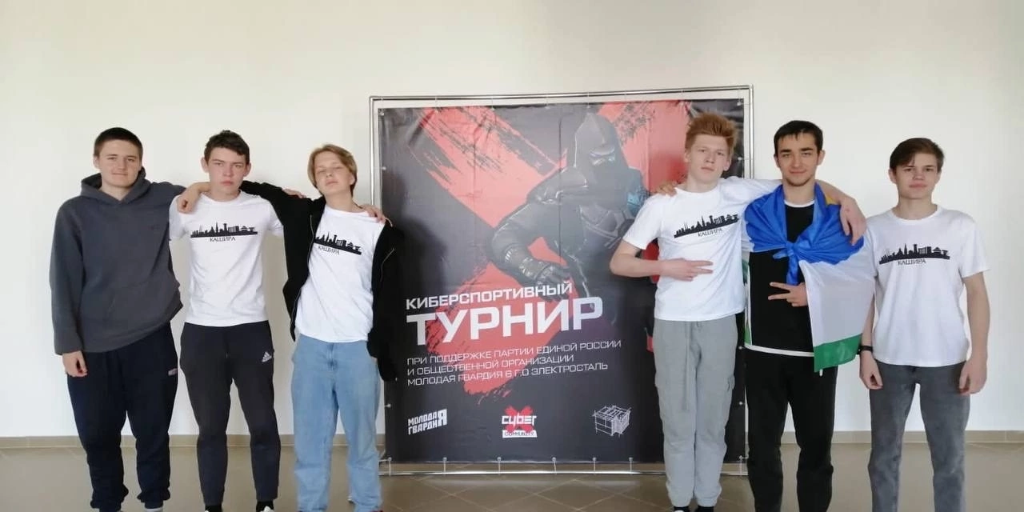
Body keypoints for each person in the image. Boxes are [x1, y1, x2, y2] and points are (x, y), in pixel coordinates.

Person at [622, 114, 865, 512]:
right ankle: (680, 503)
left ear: (728, 160)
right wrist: (666, 266)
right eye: (702, 150)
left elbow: (799, 180)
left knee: (713, 422)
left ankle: (708, 502)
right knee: (678, 422)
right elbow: (620, 261)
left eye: (719, 153)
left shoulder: (738, 192)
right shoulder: (661, 203)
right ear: (687, 154)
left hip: (722, 321)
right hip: (673, 321)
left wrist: (847, 199)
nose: (710, 158)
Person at [228, 144, 402, 512]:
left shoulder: (380, 230)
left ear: (351, 175)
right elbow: (256, 187)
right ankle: (311, 507)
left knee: (362, 441)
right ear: (315, 182)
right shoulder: (304, 215)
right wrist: (199, 188)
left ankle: (368, 504)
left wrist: (379, 347)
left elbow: (390, 295)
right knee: (310, 445)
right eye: (320, 170)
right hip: (312, 350)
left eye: (335, 167)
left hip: (358, 349)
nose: (328, 174)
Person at [49, 127, 205, 512]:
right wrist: (67, 344)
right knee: (97, 435)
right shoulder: (74, 212)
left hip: (151, 338)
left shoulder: (162, 198)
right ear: (96, 160)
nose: (121, 165)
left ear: (140, 163)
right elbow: (62, 280)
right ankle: (107, 503)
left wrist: (200, 186)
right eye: (112, 157)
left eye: (130, 158)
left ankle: (154, 503)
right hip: (92, 345)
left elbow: (220, 187)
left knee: (153, 432)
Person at [741, 121, 875, 512]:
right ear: (776, 159)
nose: (796, 162)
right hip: (762, 347)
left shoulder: (840, 220)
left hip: (816, 350)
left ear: (820, 156)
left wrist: (813, 293)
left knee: (816, 446)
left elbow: (860, 281)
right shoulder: (752, 214)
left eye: (806, 153)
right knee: (762, 447)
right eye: (787, 153)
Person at [859, 138, 989, 512]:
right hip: (889, 359)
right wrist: (865, 352)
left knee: (949, 460)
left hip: (947, 360)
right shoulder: (873, 229)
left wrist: (979, 356)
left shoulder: (960, 226)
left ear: (938, 175)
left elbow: (977, 292)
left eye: (927, 168)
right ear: (892, 174)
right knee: (883, 457)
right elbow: (864, 295)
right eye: (909, 168)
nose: (918, 176)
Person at [168, 130, 283, 512]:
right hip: (202, 332)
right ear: (205, 165)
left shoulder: (262, 208)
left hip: (251, 330)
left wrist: (362, 210)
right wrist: (196, 188)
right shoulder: (185, 207)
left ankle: (265, 503)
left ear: (247, 169)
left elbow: (309, 223)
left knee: (263, 424)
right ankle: (212, 505)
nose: (227, 173)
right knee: (210, 429)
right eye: (218, 164)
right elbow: (146, 238)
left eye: (236, 165)